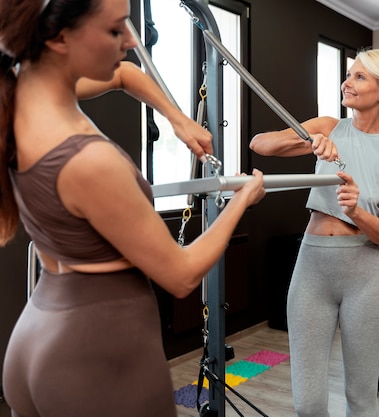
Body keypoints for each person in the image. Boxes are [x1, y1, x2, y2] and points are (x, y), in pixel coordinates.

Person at [0, 1, 266, 416]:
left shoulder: (19, 91)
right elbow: (180, 275)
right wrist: (241, 200)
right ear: (58, 37)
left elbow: (126, 74)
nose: (131, 39)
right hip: (98, 353)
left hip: (36, 333)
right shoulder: (88, 162)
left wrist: (178, 119)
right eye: (114, 30)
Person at [250, 49, 379, 417]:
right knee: (307, 403)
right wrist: (307, 141)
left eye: (359, 77)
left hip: (367, 275)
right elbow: (260, 143)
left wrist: (355, 210)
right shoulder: (328, 126)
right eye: (349, 74)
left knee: (360, 399)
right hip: (313, 268)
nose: (347, 82)